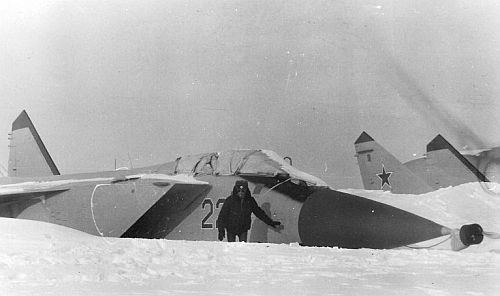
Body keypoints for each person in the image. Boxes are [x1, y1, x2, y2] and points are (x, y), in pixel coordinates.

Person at [217, 180, 281, 242]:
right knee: (231, 248)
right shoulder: (230, 201)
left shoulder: (250, 201)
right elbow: (222, 216)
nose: (241, 192)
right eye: (238, 191)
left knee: (243, 247)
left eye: (243, 191)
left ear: (246, 191)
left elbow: (259, 213)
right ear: (236, 191)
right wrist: (221, 230)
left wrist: (271, 223)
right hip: (231, 229)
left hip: (243, 229)